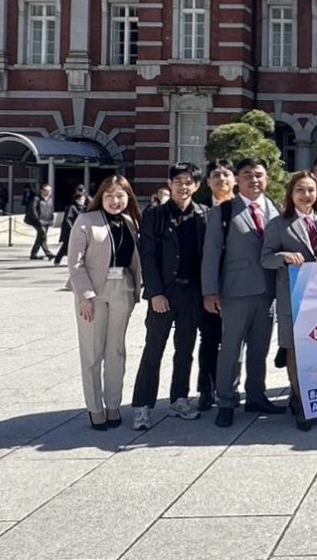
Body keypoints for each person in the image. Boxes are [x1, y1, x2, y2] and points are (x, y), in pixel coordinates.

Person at [202, 157, 284, 428]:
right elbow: (211, 253)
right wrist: (210, 291)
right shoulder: (224, 212)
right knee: (231, 349)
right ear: (237, 179)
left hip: (268, 291)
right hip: (235, 292)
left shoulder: (276, 209)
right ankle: (226, 400)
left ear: (267, 179)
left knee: (260, 348)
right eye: (247, 174)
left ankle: (256, 395)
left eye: (259, 174)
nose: (254, 179)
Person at [130, 162, 209, 431]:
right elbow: (148, 256)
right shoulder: (155, 214)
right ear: (169, 184)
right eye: (178, 181)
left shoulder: (203, 215)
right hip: (164, 292)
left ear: (196, 186)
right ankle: (142, 406)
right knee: (154, 349)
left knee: (185, 349)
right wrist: (155, 293)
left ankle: (179, 399)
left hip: (192, 293)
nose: (183, 186)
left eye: (188, 182)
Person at [66, 175, 143, 431]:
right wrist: (84, 296)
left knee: (116, 351)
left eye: (120, 195)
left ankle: (113, 404)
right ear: (101, 196)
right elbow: (75, 263)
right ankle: (95, 408)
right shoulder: (86, 221)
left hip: (122, 289)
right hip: (94, 292)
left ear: (128, 198)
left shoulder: (130, 222)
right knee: (92, 352)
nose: (115, 200)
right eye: (109, 195)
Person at [260, 170, 317, 432]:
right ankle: (302, 404)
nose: (306, 195)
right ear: (291, 194)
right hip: (291, 299)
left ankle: (310, 396)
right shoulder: (279, 224)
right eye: (300, 190)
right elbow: (265, 258)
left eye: (311, 190)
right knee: (294, 350)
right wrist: (285, 256)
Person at [196, 159, 235, 411]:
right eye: (216, 175)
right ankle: (206, 389)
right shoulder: (200, 211)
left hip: (236, 285)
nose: (221, 179)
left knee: (233, 340)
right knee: (209, 338)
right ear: (208, 181)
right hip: (208, 285)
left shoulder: (241, 208)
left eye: (226, 174)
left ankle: (230, 388)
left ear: (234, 180)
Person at [54, 185, 89, 266]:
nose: (83, 201)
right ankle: (57, 260)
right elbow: (67, 220)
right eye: (81, 199)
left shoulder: (84, 208)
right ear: (77, 200)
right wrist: (72, 229)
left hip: (81, 230)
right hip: (71, 230)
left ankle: (81, 261)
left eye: (84, 199)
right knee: (66, 246)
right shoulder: (72, 207)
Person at [26, 184, 54, 260]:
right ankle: (48, 254)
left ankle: (33, 254)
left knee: (40, 237)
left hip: (47, 220)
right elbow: (33, 209)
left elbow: (51, 210)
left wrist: (51, 219)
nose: (49, 192)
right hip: (38, 221)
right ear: (42, 191)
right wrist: (37, 219)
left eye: (50, 191)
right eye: (47, 191)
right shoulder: (36, 198)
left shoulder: (50, 199)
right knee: (43, 236)